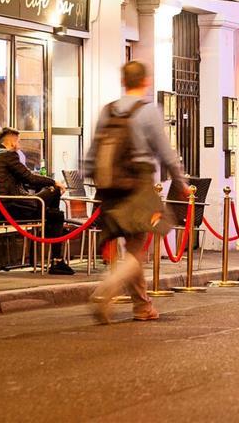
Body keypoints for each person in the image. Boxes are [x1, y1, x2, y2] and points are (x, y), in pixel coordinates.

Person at [86, 61, 189, 323]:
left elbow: (92, 153)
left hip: (110, 188)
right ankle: (106, 289)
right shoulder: (148, 111)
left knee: (131, 246)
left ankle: (142, 307)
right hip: (139, 185)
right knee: (141, 246)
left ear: (124, 81)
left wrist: (94, 181)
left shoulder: (108, 110)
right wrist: (180, 180)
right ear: (145, 81)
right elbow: (166, 151)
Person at [0, 127, 75, 275]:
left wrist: (44, 182)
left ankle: (49, 219)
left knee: (53, 214)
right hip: (13, 207)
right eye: (18, 141)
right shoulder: (9, 155)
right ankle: (56, 261)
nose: (20, 144)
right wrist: (53, 182)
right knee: (55, 197)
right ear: (12, 142)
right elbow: (29, 178)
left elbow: (24, 179)